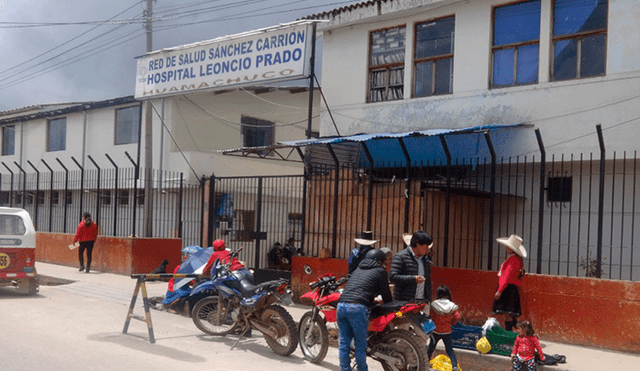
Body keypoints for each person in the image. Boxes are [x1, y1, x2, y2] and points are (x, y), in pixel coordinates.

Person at [337, 248, 393, 371]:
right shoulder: (380, 271)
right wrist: (388, 303)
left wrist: (371, 299)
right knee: (360, 345)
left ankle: (345, 369)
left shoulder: (358, 269)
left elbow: (362, 287)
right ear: (379, 261)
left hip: (341, 306)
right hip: (357, 308)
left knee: (344, 343)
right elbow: (386, 295)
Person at [492, 234, 527, 331]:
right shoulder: (516, 260)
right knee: (510, 314)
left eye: (508, 246)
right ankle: (517, 332)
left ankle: (510, 333)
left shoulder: (513, 261)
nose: (506, 248)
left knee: (507, 314)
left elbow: (506, 277)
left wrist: (499, 290)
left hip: (507, 288)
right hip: (510, 288)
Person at [389, 230, 434, 303]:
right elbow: (393, 277)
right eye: (426, 246)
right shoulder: (400, 257)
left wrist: (429, 300)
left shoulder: (425, 260)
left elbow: (428, 282)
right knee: (401, 315)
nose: (427, 248)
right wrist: (413, 279)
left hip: (422, 303)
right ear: (418, 245)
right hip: (403, 303)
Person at [427, 285, 461, 371]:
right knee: (450, 350)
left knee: (430, 348)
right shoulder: (452, 306)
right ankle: (454, 366)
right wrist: (452, 323)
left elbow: (430, 317)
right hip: (447, 332)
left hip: (436, 332)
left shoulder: (434, 305)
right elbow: (457, 316)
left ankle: (425, 363)